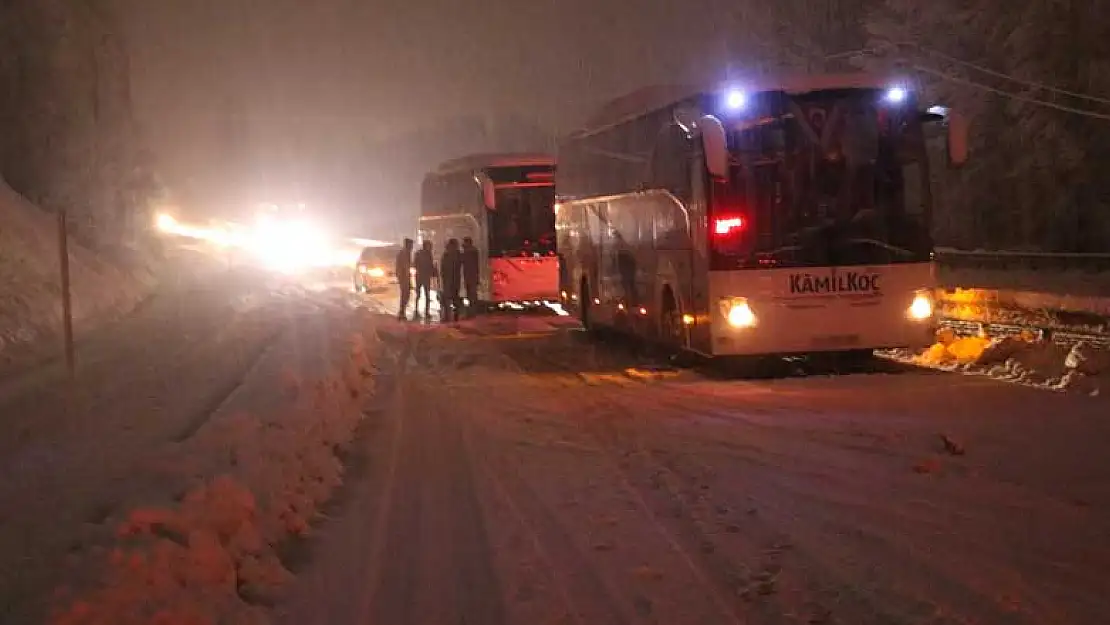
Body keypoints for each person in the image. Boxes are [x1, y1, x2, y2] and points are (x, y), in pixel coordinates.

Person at [412, 240, 437, 320]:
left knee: (426, 295)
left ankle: (426, 311)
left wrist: (433, 271)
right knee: (420, 294)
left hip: (424, 277)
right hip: (421, 277)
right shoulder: (420, 254)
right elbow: (415, 264)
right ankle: (417, 310)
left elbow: (430, 265)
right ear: (425, 246)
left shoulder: (427, 254)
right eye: (429, 246)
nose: (431, 248)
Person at [439, 238, 462, 322]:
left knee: (450, 298)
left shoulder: (447, 254)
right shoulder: (456, 254)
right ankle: (452, 315)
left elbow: (443, 268)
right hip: (452, 279)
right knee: (452, 298)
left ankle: (449, 315)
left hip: (451, 279)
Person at [394, 238, 414, 320]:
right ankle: (402, 312)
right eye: (411, 245)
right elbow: (405, 267)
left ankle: (402, 311)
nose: (412, 246)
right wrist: (407, 280)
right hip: (403, 277)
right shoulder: (404, 253)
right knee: (405, 294)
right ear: (407, 245)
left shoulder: (405, 252)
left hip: (404, 277)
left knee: (405, 294)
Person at [460, 236, 480, 318]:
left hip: (470, 275)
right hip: (470, 275)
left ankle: (472, 311)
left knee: (471, 294)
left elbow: (464, 260)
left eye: (465, 242)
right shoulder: (472, 251)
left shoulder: (470, 251)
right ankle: (472, 311)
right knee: (471, 294)